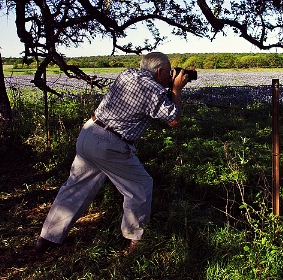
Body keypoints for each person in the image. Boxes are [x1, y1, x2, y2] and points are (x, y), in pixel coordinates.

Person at [34, 52, 190, 253]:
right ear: (159, 71)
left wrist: (167, 85)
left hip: (89, 132)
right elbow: (173, 120)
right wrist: (176, 88)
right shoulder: (153, 89)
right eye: (168, 72)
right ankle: (136, 240)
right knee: (140, 186)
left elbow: (148, 94)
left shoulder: (128, 74)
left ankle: (47, 238)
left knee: (76, 186)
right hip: (111, 144)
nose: (170, 76)